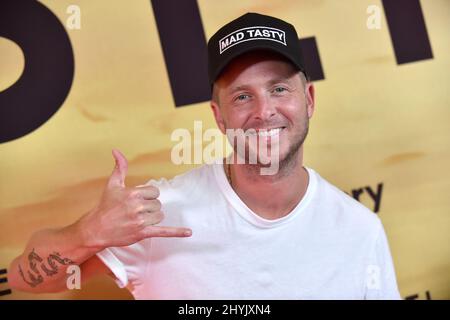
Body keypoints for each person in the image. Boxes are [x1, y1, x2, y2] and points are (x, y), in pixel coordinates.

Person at [8, 12, 401, 299]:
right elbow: (25, 279)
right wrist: (88, 232)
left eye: (279, 89)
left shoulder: (359, 230)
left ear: (308, 99)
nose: (264, 111)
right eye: (243, 96)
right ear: (219, 115)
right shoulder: (160, 214)